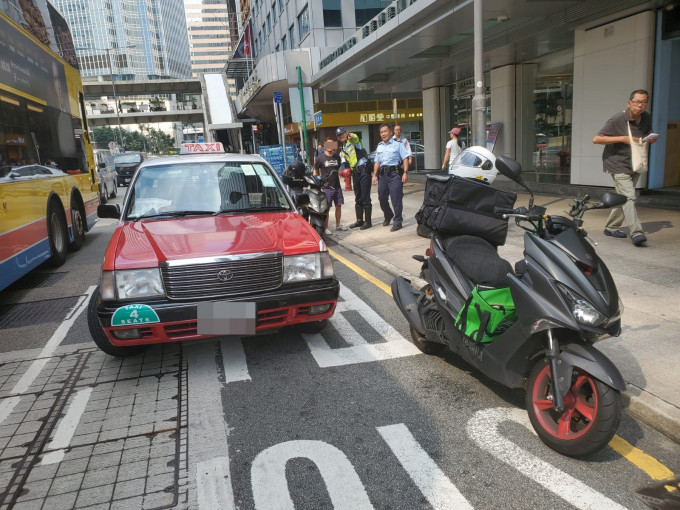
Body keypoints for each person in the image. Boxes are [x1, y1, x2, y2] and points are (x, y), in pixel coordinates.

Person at [593, 89, 657, 246]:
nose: (640, 105)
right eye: (637, 102)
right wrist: (622, 138)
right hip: (617, 162)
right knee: (629, 197)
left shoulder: (646, 117)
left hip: (635, 163)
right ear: (629, 103)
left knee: (622, 196)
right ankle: (637, 233)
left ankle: (611, 227)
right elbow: (597, 139)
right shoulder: (618, 119)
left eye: (643, 102)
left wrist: (651, 137)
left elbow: (647, 131)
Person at [372, 123, 410, 232]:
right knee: (382, 198)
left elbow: (405, 158)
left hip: (394, 174)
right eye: (381, 132)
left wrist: (405, 173)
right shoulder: (379, 146)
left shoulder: (398, 144)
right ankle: (388, 215)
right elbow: (377, 162)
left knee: (396, 199)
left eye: (385, 131)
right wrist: (374, 175)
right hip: (382, 175)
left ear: (390, 132)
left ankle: (398, 221)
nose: (383, 134)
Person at [336, 127, 372, 229]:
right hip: (355, 173)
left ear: (346, 133)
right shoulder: (342, 149)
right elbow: (344, 163)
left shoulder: (353, 141)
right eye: (339, 135)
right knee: (358, 196)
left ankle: (368, 222)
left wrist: (351, 136)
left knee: (365, 196)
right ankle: (359, 220)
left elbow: (354, 137)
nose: (341, 136)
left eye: (342, 134)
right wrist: (344, 171)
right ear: (338, 138)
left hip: (364, 170)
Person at [313, 136, 347, 234]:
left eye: (332, 144)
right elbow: (315, 170)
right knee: (326, 208)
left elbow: (339, 168)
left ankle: (338, 225)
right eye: (328, 144)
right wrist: (316, 184)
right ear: (324, 145)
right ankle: (326, 227)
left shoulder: (337, 157)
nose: (330, 146)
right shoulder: (320, 158)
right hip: (326, 187)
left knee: (338, 205)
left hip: (337, 186)